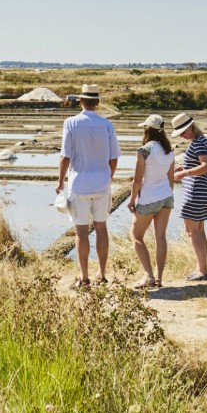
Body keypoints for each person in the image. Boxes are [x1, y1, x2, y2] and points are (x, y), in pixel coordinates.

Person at [56, 84, 121, 288]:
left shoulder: (71, 123)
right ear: (98, 102)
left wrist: (60, 181)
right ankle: (101, 274)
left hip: (79, 184)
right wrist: (108, 177)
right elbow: (114, 158)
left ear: (81, 101)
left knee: (81, 232)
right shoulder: (107, 125)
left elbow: (65, 156)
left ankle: (84, 278)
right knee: (101, 228)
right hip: (101, 184)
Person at [127, 114, 175, 289]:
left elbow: (137, 180)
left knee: (136, 236)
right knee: (160, 237)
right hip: (166, 197)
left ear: (147, 129)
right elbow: (171, 179)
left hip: (148, 199)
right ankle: (159, 278)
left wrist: (132, 200)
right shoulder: (169, 150)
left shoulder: (144, 151)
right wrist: (167, 194)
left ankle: (148, 275)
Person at [170, 112, 207, 281]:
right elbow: (199, 163)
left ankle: (202, 271)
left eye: (183, 131)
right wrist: (185, 167)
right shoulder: (201, 140)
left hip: (195, 192)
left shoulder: (199, 142)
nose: (182, 135)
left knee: (192, 231)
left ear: (190, 126)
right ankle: (201, 268)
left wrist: (185, 172)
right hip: (202, 191)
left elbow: (206, 166)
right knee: (199, 231)